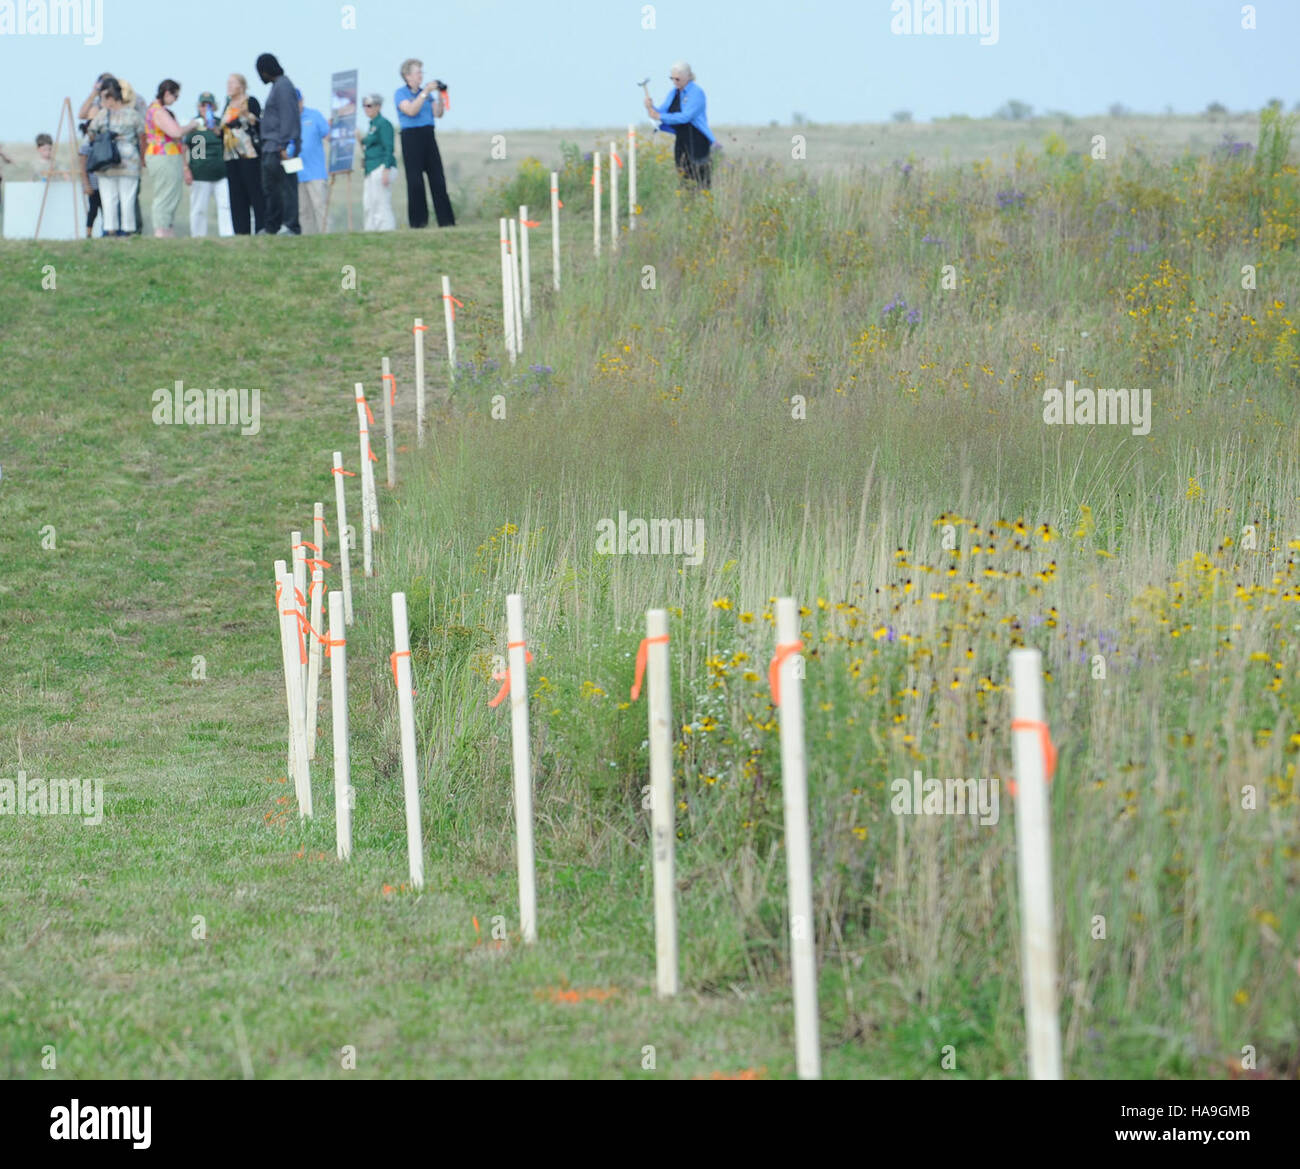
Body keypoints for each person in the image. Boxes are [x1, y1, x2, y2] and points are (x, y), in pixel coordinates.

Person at [394, 58, 454, 227]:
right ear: (407, 76)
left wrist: (441, 95)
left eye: (421, 72)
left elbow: (438, 113)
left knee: (438, 179)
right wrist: (425, 92)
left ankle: (446, 221)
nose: (421, 75)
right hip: (411, 137)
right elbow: (411, 110)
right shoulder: (401, 94)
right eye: (417, 72)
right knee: (415, 181)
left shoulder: (426, 94)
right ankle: (418, 222)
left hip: (428, 135)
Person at [83, 78, 147, 237]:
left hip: (106, 161)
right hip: (129, 160)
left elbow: (90, 134)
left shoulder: (102, 115)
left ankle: (110, 229)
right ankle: (127, 230)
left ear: (110, 97)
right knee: (127, 198)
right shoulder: (133, 115)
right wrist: (142, 159)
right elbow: (142, 136)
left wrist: (103, 139)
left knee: (108, 197)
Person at [645, 61, 717, 188]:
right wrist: (650, 107)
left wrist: (659, 116)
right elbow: (662, 112)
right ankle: (687, 204)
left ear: (688, 76)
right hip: (682, 140)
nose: (675, 82)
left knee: (700, 179)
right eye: (672, 79)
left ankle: (702, 203)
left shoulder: (696, 93)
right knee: (683, 177)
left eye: (677, 79)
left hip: (698, 140)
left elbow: (685, 117)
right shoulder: (674, 93)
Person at [254, 52, 301, 235]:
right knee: (271, 189)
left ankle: (291, 226)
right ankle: (272, 226)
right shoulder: (276, 86)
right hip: (270, 148)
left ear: (266, 70)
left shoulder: (284, 86)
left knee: (287, 188)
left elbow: (289, 116)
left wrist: (285, 145)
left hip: (281, 148)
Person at [184, 91, 233, 237]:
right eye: (203, 105)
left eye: (209, 105)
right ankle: (198, 236)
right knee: (198, 208)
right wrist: (185, 168)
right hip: (199, 173)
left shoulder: (220, 124)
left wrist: (217, 130)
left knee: (225, 206)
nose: (206, 108)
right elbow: (183, 147)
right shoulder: (193, 125)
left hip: (220, 172)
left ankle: (227, 234)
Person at [220, 73, 264, 235]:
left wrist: (246, 115)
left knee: (254, 191)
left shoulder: (250, 101)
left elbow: (258, 123)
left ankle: (261, 228)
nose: (229, 86)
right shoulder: (227, 105)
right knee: (236, 196)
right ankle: (240, 231)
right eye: (228, 83)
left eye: (232, 83)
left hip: (249, 154)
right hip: (231, 156)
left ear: (241, 85)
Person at [145, 80, 189, 237]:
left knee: (170, 194)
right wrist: (194, 124)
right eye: (175, 96)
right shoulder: (158, 111)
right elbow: (176, 132)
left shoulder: (158, 110)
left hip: (168, 156)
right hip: (162, 156)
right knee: (165, 194)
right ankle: (161, 230)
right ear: (167, 93)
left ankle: (166, 229)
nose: (175, 100)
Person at [357, 93, 397, 232]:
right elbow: (368, 146)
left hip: (381, 166)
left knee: (381, 202)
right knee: (369, 203)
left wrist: (386, 168)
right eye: (364, 106)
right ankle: (370, 230)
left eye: (369, 106)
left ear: (378, 107)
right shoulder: (372, 125)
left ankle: (386, 229)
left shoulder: (383, 124)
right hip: (370, 168)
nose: (366, 109)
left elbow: (389, 147)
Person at [294, 88, 330, 234]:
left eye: (297, 101)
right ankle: (307, 240)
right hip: (297, 173)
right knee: (303, 211)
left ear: (302, 100)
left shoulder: (314, 116)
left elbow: (328, 134)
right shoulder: (288, 120)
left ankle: (327, 238)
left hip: (316, 172)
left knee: (320, 207)